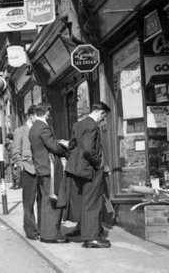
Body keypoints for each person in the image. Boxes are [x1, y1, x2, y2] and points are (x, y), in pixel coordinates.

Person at [65, 101, 112, 249]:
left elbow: (72, 145)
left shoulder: (78, 124)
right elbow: (88, 149)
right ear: (101, 112)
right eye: (103, 117)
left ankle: (84, 230)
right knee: (92, 202)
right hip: (90, 169)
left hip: (78, 169)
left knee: (83, 200)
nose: (102, 120)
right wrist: (99, 164)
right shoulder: (92, 126)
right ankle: (91, 238)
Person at [28, 102, 69, 244]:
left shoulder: (33, 128)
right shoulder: (44, 128)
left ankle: (45, 233)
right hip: (49, 168)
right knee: (53, 200)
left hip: (40, 168)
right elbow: (53, 147)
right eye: (49, 113)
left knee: (45, 201)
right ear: (46, 112)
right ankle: (52, 235)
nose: (50, 115)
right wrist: (64, 147)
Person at [12, 105, 40, 240]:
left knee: (42, 201)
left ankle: (41, 228)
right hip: (28, 170)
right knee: (29, 202)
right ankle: (30, 230)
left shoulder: (39, 129)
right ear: (30, 116)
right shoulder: (20, 131)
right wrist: (22, 166)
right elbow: (15, 153)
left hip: (40, 168)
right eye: (36, 115)